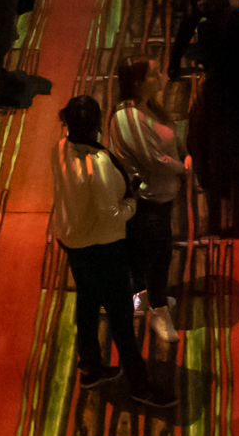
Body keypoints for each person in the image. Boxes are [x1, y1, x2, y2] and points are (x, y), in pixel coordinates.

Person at [51, 96, 174, 406]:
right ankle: (139, 385)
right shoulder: (100, 162)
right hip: (104, 250)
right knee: (121, 319)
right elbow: (112, 215)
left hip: (75, 245)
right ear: (97, 125)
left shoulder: (60, 148)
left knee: (87, 305)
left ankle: (90, 368)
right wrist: (133, 202)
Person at [106, 59, 187, 346]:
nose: (162, 75)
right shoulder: (128, 116)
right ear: (138, 83)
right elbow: (152, 160)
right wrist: (184, 168)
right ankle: (158, 312)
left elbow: (169, 140)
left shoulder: (149, 107)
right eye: (154, 73)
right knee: (159, 254)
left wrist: (183, 155)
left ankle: (145, 294)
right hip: (146, 198)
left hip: (160, 194)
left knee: (145, 249)